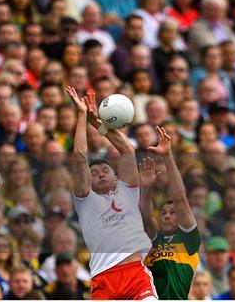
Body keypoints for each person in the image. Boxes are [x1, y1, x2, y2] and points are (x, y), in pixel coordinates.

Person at [65, 86, 157, 300]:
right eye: (94, 172)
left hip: (136, 275)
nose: (100, 174)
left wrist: (97, 122)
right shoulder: (85, 201)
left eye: (105, 169)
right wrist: (81, 116)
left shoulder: (128, 189)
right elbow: (79, 160)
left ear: (116, 176)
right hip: (103, 279)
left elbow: (127, 149)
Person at [142, 126, 201, 299]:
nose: (167, 215)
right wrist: (146, 188)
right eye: (165, 212)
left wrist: (167, 156)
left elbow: (180, 198)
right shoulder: (155, 239)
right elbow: (146, 218)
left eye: (173, 212)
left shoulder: (188, 240)